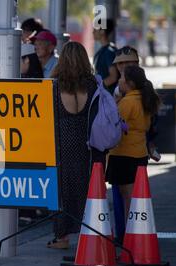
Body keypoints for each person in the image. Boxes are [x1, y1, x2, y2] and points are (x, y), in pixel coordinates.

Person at [47, 42, 105, 249]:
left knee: (62, 190)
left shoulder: (54, 85)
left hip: (61, 145)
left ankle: (61, 237)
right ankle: (89, 232)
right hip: (87, 145)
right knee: (86, 188)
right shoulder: (92, 84)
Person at [106, 65, 161, 217]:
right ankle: (134, 230)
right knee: (134, 194)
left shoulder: (128, 102)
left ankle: (131, 232)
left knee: (128, 195)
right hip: (139, 152)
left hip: (124, 154)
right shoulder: (143, 99)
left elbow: (114, 123)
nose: (119, 81)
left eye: (121, 78)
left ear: (129, 83)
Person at [93, 18, 119, 94]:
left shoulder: (109, 51)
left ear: (102, 31)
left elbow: (113, 77)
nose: (93, 32)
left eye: (95, 29)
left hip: (109, 96)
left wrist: (96, 87)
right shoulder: (103, 50)